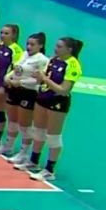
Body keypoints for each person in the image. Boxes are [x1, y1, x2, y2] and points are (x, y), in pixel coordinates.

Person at [17, 36, 83, 181]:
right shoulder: (53, 60)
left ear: (69, 49)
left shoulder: (73, 65)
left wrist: (44, 79)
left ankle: (49, 170)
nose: (55, 48)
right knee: (38, 131)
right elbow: (42, 79)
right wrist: (36, 77)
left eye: (59, 47)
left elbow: (64, 90)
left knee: (53, 136)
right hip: (43, 97)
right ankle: (33, 162)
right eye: (56, 46)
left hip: (57, 102)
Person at [0, 32, 47, 160]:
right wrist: (8, 77)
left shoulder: (42, 60)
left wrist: (20, 82)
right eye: (28, 44)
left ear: (40, 46)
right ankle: (8, 146)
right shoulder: (24, 54)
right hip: (14, 90)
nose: (29, 47)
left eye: (32, 45)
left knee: (24, 125)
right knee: (12, 120)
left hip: (29, 92)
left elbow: (38, 80)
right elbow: (16, 69)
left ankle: (23, 153)